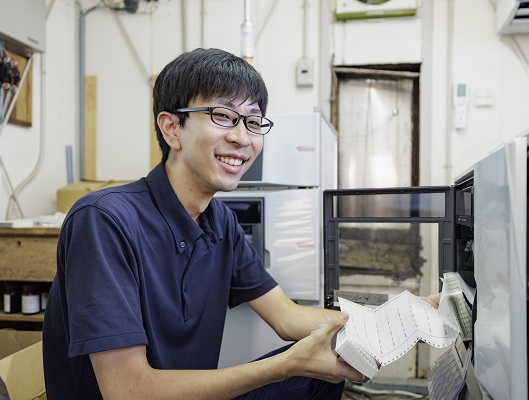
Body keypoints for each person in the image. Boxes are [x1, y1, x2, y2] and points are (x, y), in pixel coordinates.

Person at [42, 47, 440, 400]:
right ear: (171, 128)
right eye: (222, 116)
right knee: (302, 366)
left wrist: (400, 315)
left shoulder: (221, 223)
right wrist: (285, 366)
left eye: (253, 122)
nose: (242, 137)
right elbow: (128, 391)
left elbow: (286, 317)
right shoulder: (104, 220)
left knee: (325, 370)